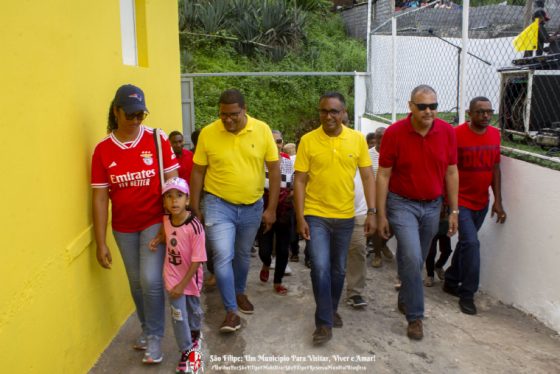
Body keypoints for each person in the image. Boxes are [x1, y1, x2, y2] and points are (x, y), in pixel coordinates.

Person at [91, 84, 179, 363]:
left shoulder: (157, 138)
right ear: (116, 111)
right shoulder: (103, 150)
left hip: (154, 220)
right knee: (136, 282)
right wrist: (101, 241)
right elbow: (100, 197)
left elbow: (173, 183)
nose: (136, 120)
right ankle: (146, 328)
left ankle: (154, 337)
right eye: (130, 114)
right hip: (123, 228)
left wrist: (169, 224)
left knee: (151, 280)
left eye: (140, 114)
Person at [190, 89, 280, 333]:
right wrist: (194, 205)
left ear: (244, 109)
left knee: (241, 255)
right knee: (222, 255)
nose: (228, 120)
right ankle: (230, 311)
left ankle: (239, 292)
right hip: (218, 203)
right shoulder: (209, 133)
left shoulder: (262, 130)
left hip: (252, 205)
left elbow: (273, 169)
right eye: (223, 115)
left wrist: (271, 208)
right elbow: (198, 171)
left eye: (233, 115)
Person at [376, 84, 459, 340]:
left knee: (417, 258)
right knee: (412, 258)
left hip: (433, 205)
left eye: (433, 106)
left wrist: (454, 210)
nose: (428, 111)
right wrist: (380, 213)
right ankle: (415, 317)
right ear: (410, 107)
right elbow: (383, 175)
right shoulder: (394, 133)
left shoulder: (447, 132)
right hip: (402, 204)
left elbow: (452, 171)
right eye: (422, 106)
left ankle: (405, 295)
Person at [294, 92, 376, 345]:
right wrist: (300, 217)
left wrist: (372, 212)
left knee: (338, 269)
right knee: (319, 266)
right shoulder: (308, 141)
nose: (328, 116)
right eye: (324, 111)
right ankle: (324, 323)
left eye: (334, 112)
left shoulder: (357, 140)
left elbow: (367, 176)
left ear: (343, 113)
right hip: (316, 214)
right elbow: (299, 179)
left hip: (345, 215)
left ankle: (329, 309)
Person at [443, 97, 507, 315]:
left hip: (482, 201)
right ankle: (468, 293)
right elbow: (448, 169)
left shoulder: (494, 134)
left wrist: (497, 200)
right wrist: (447, 202)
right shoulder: (456, 134)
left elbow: (495, 168)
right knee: (471, 243)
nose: (486, 116)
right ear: (470, 113)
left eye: (489, 112)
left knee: (466, 244)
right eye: (480, 112)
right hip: (460, 201)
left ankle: (451, 279)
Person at [149, 177, 206, 373]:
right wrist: (157, 239)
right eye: (169, 197)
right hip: (172, 278)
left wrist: (183, 285)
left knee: (193, 315)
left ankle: (196, 342)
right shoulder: (166, 219)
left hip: (190, 280)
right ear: (164, 202)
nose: (174, 201)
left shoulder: (195, 227)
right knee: (178, 316)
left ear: (187, 200)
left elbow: (198, 260)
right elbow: (165, 232)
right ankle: (186, 350)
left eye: (179, 196)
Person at [258, 130, 294, 295]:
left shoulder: (288, 161)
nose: (276, 145)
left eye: (279, 141)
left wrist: (290, 196)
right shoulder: (259, 161)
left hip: (284, 209)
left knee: (282, 248)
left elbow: (295, 183)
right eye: (272, 142)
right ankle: (266, 263)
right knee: (264, 250)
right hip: (264, 207)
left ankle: (278, 281)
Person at [368, 127, 394, 268]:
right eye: (379, 137)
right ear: (375, 138)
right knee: (377, 226)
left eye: (384, 136)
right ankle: (377, 254)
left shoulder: (393, 152)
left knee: (394, 225)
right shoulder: (368, 155)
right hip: (374, 195)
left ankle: (383, 245)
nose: (382, 139)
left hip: (392, 195)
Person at [424, 205, 452, 287]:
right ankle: (430, 275)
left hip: (445, 226)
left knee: (447, 250)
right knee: (431, 252)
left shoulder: (449, 196)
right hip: (432, 225)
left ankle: (438, 266)